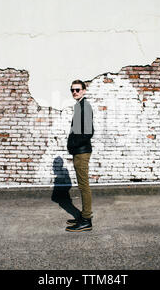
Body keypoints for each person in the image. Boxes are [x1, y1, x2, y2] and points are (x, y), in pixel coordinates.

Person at [65, 80, 95, 232]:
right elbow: (77, 130)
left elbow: (88, 132)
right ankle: (83, 215)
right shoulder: (79, 106)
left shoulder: (85, 107)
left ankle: (86, 220)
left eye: (77, 90)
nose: (75, 92)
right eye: (72, 90)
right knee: (82, 185)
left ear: (84, 90)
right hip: (79, 151)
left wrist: (73, 143)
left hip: (82, 152)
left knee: (84, 186)